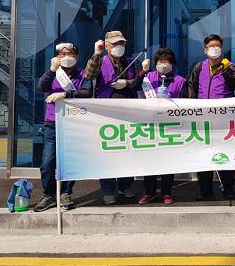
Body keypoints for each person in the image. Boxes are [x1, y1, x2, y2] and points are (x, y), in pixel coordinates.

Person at [35, 43, 92, 212]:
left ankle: (66, 194)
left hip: (73, 123)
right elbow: (41, 87)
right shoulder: (53, 73)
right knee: (47, 163)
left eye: (70, 53)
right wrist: (52, 70)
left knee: (69, 162)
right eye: (62, 54)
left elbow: (87, 92)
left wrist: (66, 94)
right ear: (57, 57)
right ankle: (49, 195)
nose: (66, 56)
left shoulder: (83, 74)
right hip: (52, 124)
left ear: (77, 56)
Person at [85, 31, 138, 205]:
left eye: (121, 43)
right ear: (107, 46)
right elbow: (89, 75)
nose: (118, 47)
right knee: (107, 151)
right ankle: (108, 190)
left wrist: (127, 83)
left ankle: (125, 185)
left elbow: (138, 81)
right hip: (106, 112)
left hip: (128, 111)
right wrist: (96, 53)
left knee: (128, 150)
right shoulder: (100, 61)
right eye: (115, 44)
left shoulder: (131, 62)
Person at [188, 34, 235, 200]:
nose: (214, 48)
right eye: (211, 46)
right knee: (204, 153)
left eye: (217, 46)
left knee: (225, 153)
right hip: (203, 117)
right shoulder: (199, 67)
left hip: (223, 118)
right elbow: (191, 87)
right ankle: (205, 190)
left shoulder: (229, 66)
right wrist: (193, 108)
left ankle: (228, 188)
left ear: (221, 49)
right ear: (205, 50)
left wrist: (225, 70)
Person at [133, 48, 187, 205]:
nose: (163, 65)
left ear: (172, 64)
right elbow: (134, 87)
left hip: (170, 126)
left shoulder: (180, 81)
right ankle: (149, 192)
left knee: (168, 161)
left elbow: (186, 102)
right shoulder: (148, 78)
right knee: (149, 160)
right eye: (160, 62)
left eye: (166, 62)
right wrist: (142, 72)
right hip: (149, 126)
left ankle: (166, 193)